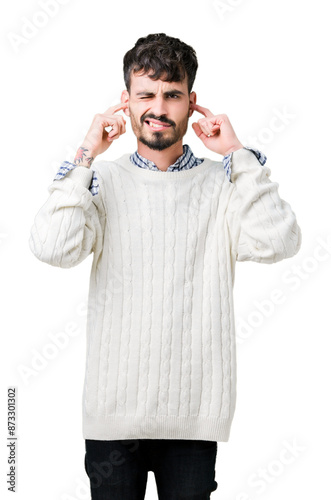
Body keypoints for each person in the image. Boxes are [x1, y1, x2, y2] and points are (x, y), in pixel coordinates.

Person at [29, 33, 302, 499]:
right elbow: (53, 248)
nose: (159, 107)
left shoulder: (223, 183)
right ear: (125, 102)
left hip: (193, 419)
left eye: (172, 95)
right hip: (113, 419)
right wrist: (85, 154)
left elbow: (280, 241)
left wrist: (238, 154)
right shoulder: (99, 180)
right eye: (146, 94)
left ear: (191, 103)